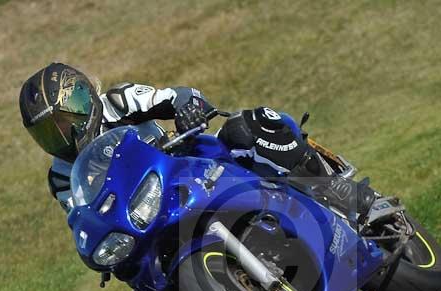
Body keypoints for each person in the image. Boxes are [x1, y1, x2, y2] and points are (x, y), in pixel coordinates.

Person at [19, 63, 375, 218]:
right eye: (49, 131)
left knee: (246, 128)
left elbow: (178, 96)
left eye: (64, 122)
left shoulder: (119, 101)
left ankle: (333, 189)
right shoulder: (62, 177)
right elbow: (85, 217)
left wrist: (187, 106)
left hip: (189, 163)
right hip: (151, 211)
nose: (62, 136)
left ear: (82, 100)